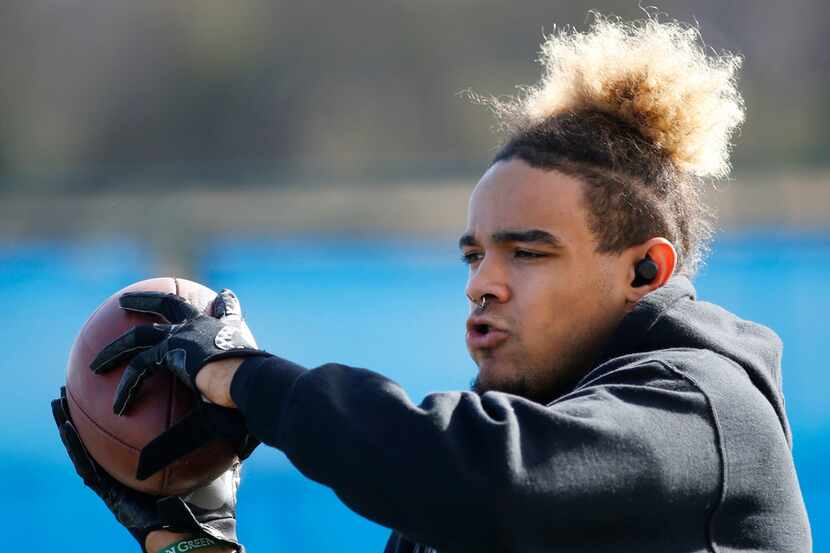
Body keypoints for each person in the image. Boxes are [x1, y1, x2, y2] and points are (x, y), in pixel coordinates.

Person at [51, 13, 812, 553]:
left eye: (528, 252)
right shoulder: (485, 459)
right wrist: (188, 541)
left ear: (645, 270)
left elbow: (484, 476)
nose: (484, 283)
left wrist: (244, 377)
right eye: (473, 255)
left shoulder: (701, 409)